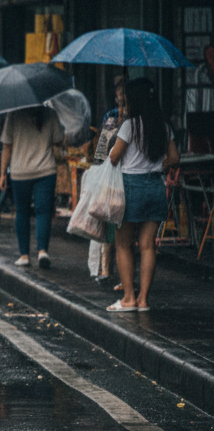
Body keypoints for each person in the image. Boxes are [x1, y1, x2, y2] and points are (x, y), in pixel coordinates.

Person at [106, 77, 179, 312]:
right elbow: (175, 158)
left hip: (130, 188)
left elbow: (115, 157)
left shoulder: (129, 125)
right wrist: (158, 165)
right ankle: (143, 300)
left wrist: (114, 140)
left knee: (124, 244)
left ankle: (128, 298)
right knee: (148, 246)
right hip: (156, 187)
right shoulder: (163, 125)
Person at [0, 106, 64, 268]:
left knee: (22, 212)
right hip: (46, 170)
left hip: (20, 171)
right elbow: (58, 139)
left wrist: (2, 173)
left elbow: (7, 146)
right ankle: (42, 251)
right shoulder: (50, 113)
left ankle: (24, 255)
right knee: (43, 212)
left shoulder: (13, 114)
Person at [91, 76, 126, 280]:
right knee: (108, 222)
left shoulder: (135, 120)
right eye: (120, 101)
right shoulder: (111, 118)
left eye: (126, 101)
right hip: (110, 175)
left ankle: (122, 274)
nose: (122, 106)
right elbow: (101, 149)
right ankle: (105, 270)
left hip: (126, 175)